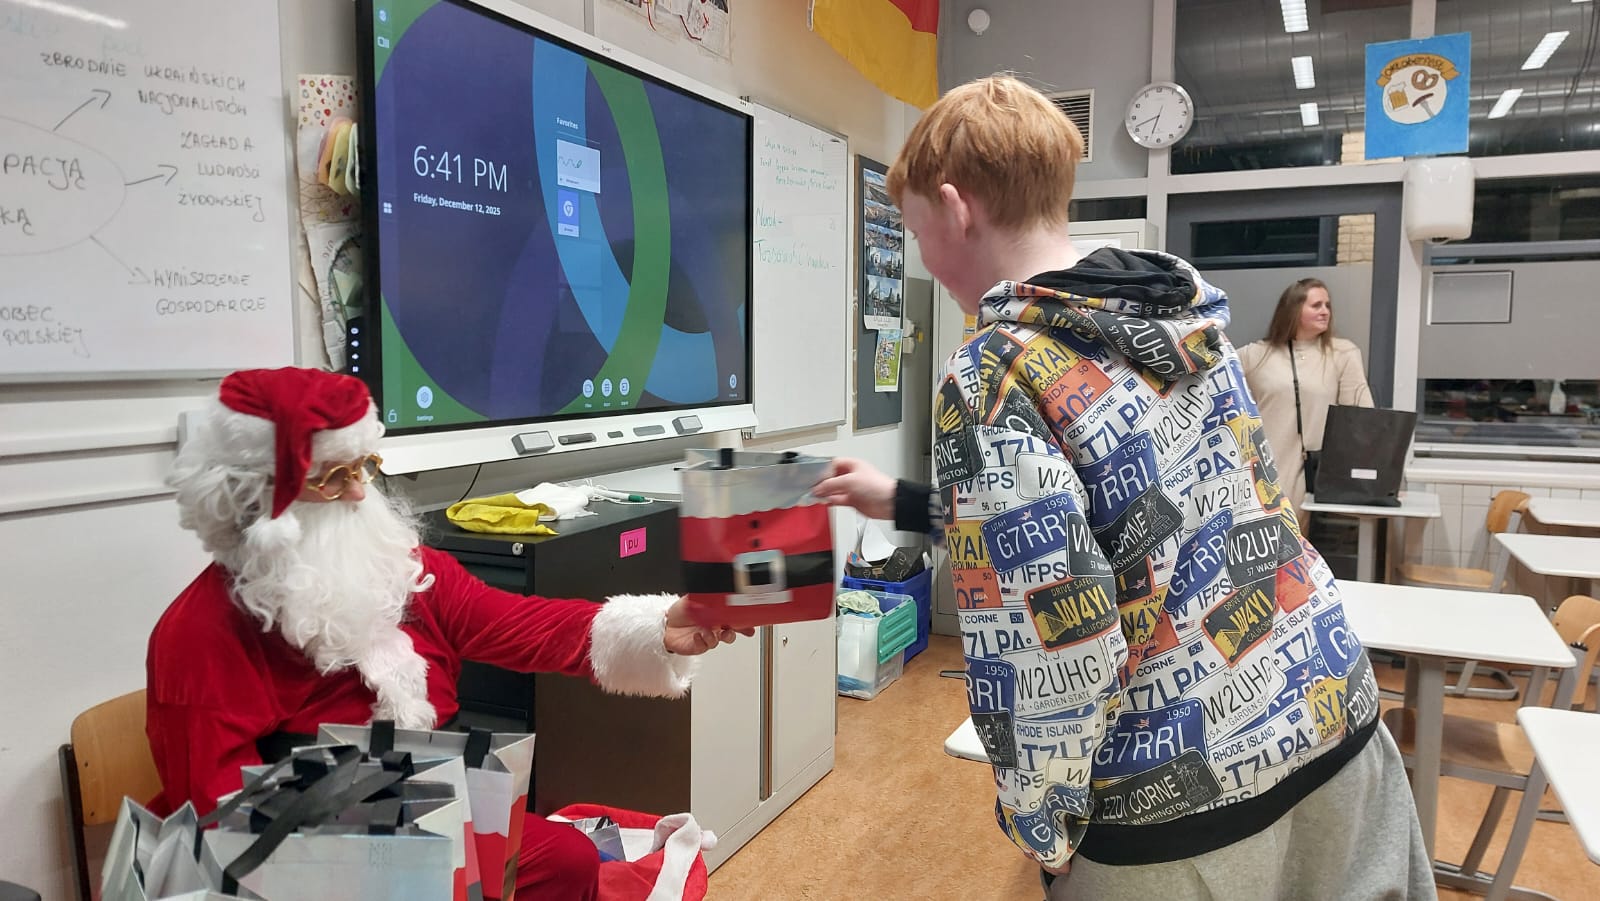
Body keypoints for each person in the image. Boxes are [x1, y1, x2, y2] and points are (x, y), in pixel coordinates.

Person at [817, 76, 1433, 900]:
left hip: (1187, 801)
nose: (923, 256)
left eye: (917, 229)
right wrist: (901, 502)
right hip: (1335, 720)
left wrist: (1043, 822)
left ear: (956, 209)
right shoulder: (1185, 322)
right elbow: (1145, 520)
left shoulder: (994, 368)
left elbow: (1057, 639)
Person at [147, 366, 746, 900]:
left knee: (567, 859)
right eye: (331, 479)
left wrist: (662, 627)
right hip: (304, 851)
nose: (358, 493)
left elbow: (519, 625)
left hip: (429, 807)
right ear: (258, 503)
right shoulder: (199, 636)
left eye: (364, 467)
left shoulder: (406, 572)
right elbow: (220, 819)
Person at [1236, 279, 1375, 524]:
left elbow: (1360, 417)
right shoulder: (1256, 355)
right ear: (1293, 309)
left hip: (1311, 472)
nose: (1325, 311)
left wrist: (1374, 473)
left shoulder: (1342, 354)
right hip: (1259, 470)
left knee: (1298, 540)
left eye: (1328, 305)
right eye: (1316, 305)